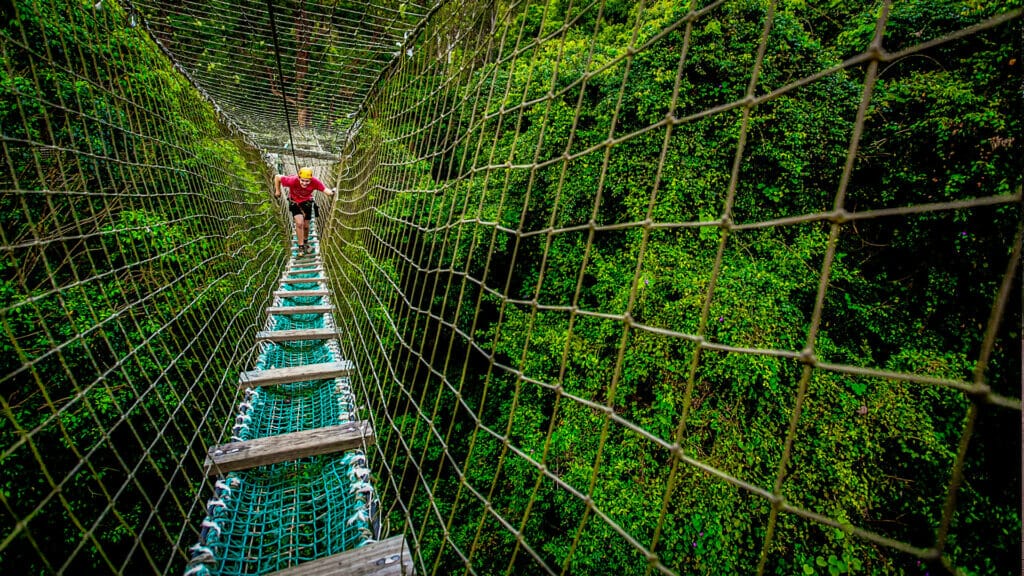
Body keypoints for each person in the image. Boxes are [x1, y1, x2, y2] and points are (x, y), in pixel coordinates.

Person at [274, 167, 334, 256]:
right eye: (302, 180)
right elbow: (277, 177)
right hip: (294, 202)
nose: (305, 183)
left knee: (306, 226)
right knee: (299, 223)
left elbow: (325, 190)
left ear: (311, 179)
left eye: (307, 181)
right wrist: (277, 191)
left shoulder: (315, 182)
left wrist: (332, 192)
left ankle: (305, 241)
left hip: (307, 203)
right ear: (299, 178)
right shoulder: (292, 180)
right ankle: (301, 246)